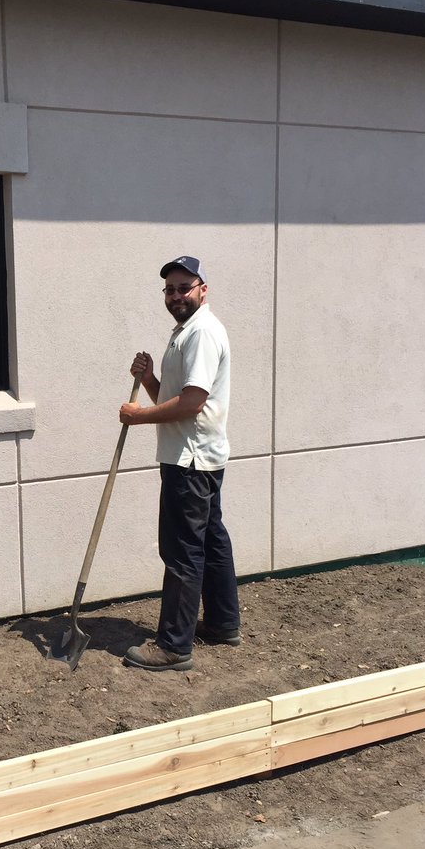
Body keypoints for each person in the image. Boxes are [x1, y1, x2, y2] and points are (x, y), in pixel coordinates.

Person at [118, 256, 241, 671]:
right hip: (199, 455)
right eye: (169, 289)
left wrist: (137, 418)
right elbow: (175, 397)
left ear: (202, 289)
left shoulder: (202, 333)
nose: (175, 295)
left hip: (189, 460)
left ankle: (173, 646)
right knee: (210, 540)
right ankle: (223, 623)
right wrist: (151, 378)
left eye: (183, 287)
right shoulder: (186, 332)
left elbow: (191, 404)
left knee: (183, 549)